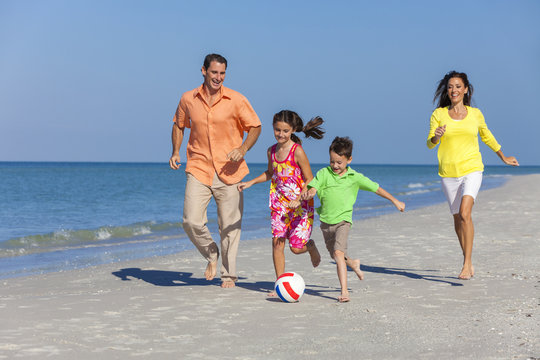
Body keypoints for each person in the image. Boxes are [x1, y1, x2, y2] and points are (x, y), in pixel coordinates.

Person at [169, 53, 262, 288]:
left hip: (230, 170)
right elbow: (179, 125)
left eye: (222, 73)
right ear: (203, 71)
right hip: (199, 166)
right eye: (214, 73)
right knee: (191, 220)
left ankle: (229, 275)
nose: (218, 78)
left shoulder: (236, 99)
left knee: (230, 226)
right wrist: (175, 151)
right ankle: (211, 254)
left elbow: (255, 126)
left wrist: (242, 149)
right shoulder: (188, 98)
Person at [427, 71, 519, 280]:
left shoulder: (475, 114)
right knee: (458, 218)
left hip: (472, 168)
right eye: (450, 87)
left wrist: (503, 156)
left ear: (466, 89)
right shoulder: (438, 115)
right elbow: (430, 143)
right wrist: (436, 137)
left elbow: (486, 135)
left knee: (465, 213)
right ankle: (467, 258)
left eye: (458, 86)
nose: (454, 90)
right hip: (448, 173)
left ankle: (467, 263)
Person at [303, 136, 405, 302]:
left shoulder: (355, 177)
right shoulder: (323, 173)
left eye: (339, 162)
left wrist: (395, 201)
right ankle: (353, 263)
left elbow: (376, 189)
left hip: (343, 221)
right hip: (325, 223)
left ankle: (344, 291)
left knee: (337, 253)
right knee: (337, 256)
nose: (335, 166)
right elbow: (314, 186)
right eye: (332, 161)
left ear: (349, 160)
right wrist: (311, 192)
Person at [238, 110, 324, 295]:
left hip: (300, 204)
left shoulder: (298, 151)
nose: (281, 134)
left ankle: (310, 246)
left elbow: (309, 179)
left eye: (285, 130)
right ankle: (280, 284)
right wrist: (250, 182)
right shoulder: (271, 151)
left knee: (295, 248)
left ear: (292, 130)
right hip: (278, 203)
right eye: (277, 130)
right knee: (277, 243)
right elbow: (271, 173)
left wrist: (298, 199)